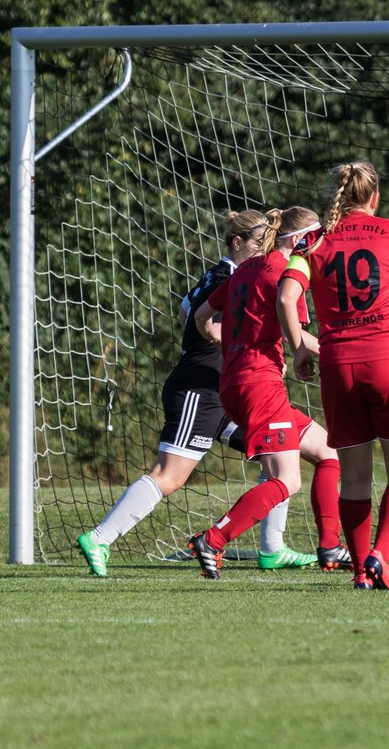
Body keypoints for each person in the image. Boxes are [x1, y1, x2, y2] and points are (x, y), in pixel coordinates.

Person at [75, 210, 323, 576]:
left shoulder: (226, 274)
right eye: (257, 244)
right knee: (170, 475)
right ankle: (100, 537)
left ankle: (273, 548)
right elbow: (198, 319)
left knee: (293, 450)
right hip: (202, 387)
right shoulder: (232, 275)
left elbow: (184, 311)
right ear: (237, 243)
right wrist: (233, 343)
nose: (262, 252)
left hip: (232, 386)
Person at [278, 161, 389, 591]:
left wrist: (298, 348)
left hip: (339, 367)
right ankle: (379, 556)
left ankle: (357, 573)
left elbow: (286, 294)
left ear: (338, 197)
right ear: (375, 198)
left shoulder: (312, 240)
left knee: (352, 477)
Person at [186, 207, 348, 579]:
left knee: (328, 452)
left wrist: (230, 345)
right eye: (316, 237)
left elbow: (200, 318)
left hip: (236, 381)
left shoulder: (244, 270)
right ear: (299, 240)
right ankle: (212, 538)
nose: (319, 245)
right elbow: (297, 330)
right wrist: (337, 351)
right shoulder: (284, 272)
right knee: (286, 480)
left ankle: (330, 546)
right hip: (260, 385)